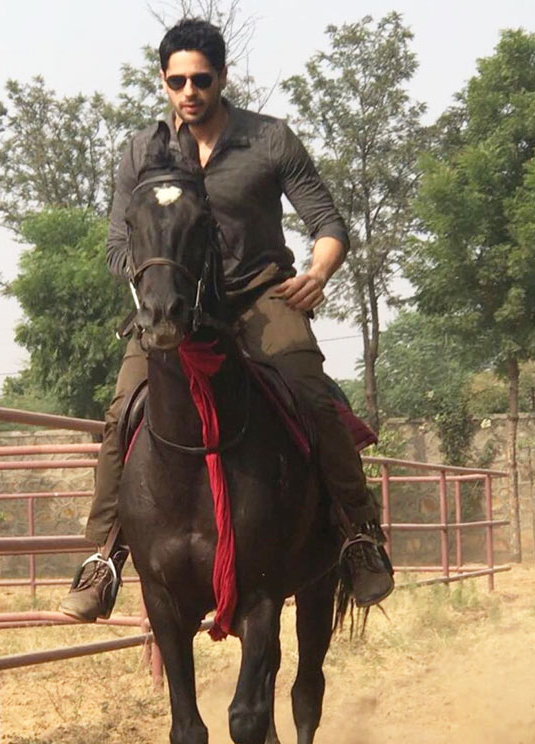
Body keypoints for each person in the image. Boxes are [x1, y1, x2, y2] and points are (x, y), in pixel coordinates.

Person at [59, 18, 393, 623]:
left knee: (315, 399)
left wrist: (318, 272)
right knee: (121, 412)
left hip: (260, 298)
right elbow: (116, 246)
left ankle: (357, 533)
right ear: (163, 82)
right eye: (177, 80)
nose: (189, 91)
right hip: (175, 309)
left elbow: (328, 222)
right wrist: (156, 278)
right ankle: (105, 556)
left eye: (201, 79)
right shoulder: (141, 152)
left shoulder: (270, 140)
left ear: (222, 77)